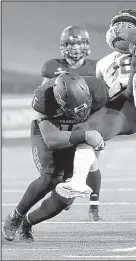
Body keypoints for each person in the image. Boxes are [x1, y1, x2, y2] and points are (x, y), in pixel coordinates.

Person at [54, 9, 136, 199]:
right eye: (119, 25)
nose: (121, 29)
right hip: (123, 108)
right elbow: (100, 97)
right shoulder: (103, 63)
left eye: (128, 26)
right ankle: (78, 182)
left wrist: (124, 33)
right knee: (86, 131)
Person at [2, 73, 109, 242]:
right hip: (50, 134)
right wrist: (86, 135)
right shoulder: (45, 97)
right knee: (51, 178)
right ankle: (16, 216)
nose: (80, 113)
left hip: (78, 132)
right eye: (73, 109)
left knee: (65, 198)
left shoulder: (99, 90)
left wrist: (92, 141)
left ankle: (27, 223)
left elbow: (104, 121)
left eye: (84, 107)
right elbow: (52, 139)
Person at [40, 25, 103, 221]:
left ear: (87, 45)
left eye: (79, 43)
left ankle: (94, 208)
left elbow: (102, 94)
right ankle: (64, 195)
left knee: (91, 162)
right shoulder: (51, 66)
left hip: (86, 121)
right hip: (60, 123)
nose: (75, 48)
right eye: (70, 44)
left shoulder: (97, 67)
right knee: (58, 168)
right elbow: (43, 95)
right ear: (63, 46)